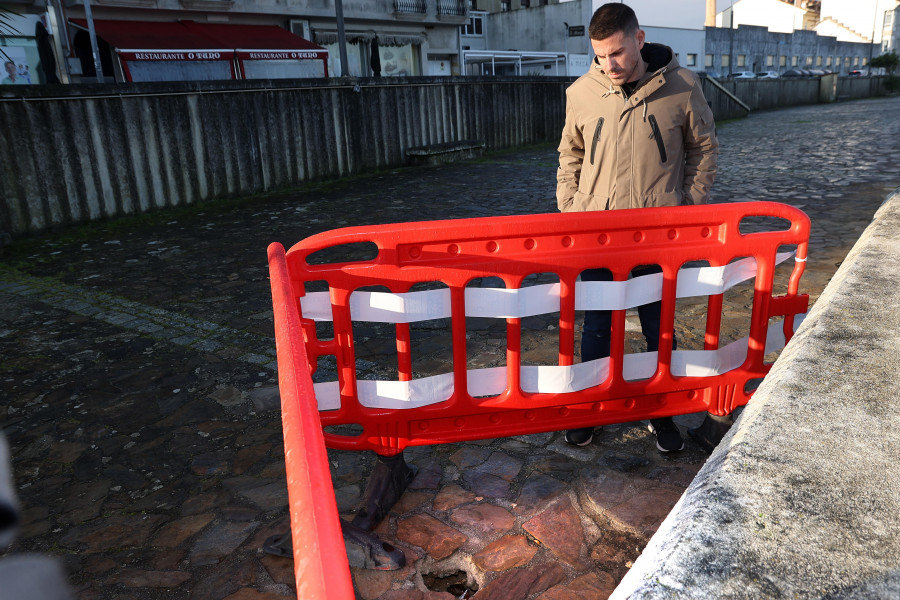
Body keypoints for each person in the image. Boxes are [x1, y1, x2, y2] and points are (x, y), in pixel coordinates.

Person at [556, 3, 718, 453]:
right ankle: (593, 405)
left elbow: (704, 150)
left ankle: (659, 410)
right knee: (597, 325)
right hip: (597, 235)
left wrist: (685, 208)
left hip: (656, 235)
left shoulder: (683, 87)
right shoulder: (581, 93)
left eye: (618, 53)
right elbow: (569, 154)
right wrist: (571, 209)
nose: (610, 65)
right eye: (601, 55)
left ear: (639, 39)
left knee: (657, 325)